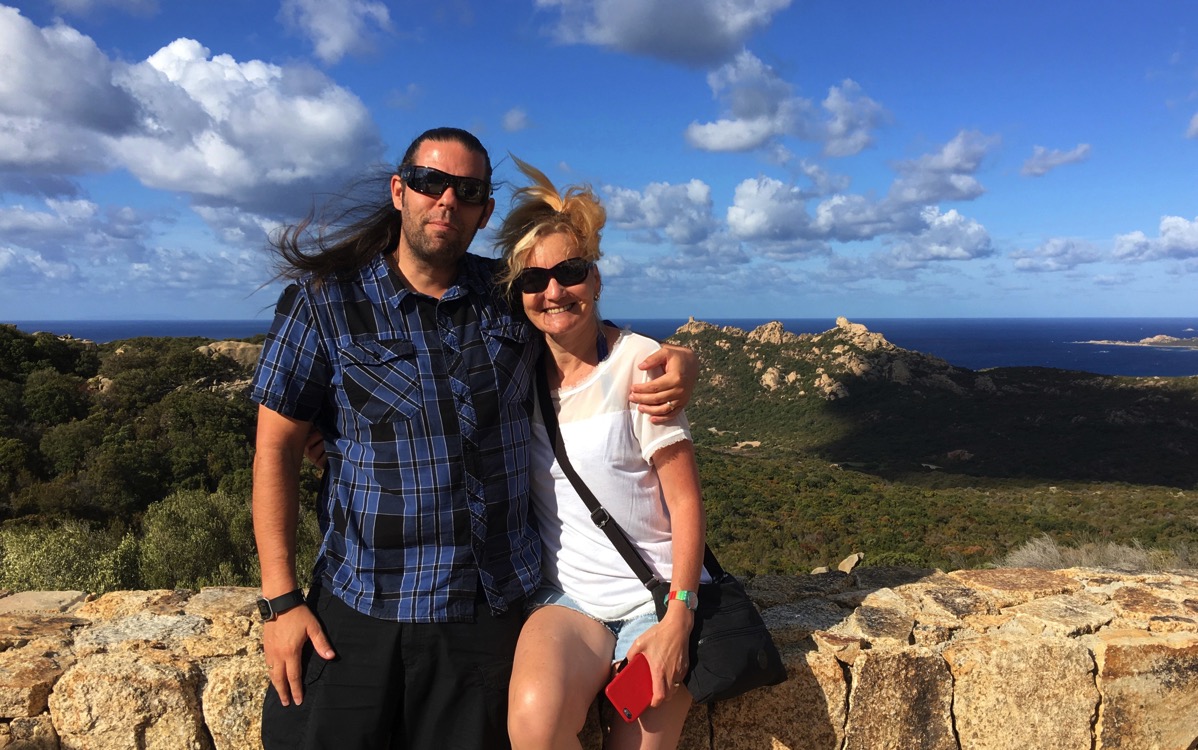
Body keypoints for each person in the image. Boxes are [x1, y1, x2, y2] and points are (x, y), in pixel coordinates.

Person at [249, 127, 695, 749]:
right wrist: (280, 601)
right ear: (400, 190)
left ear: (484, 211)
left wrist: (678, 359)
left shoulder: (504, 296)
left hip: (483, 614)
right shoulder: (326, 304)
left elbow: (576, 325)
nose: (447, 200)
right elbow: (275, 447)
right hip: (364, 604)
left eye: (468, 190)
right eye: (432, 183)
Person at [497, 158, 707, 750]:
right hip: (571, 601)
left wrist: (679, 617)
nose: (553, 291)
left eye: (570, 271)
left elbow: (685, 502)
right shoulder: (514, 373)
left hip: (657, 598)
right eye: (533, 281)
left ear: (595, 279)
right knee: (534, 730)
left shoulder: (639, 366)